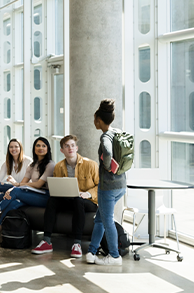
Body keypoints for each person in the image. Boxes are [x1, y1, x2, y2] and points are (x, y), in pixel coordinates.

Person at [0, 137, 55, 245]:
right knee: (12, 203)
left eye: (43, 146)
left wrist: (16, 186)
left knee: (16, 191)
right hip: (32, 194)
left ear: (48, 148)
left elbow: (38, 184)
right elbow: (23, 183)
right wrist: (13, 189)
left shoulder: (50, 164)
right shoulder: (32, 165)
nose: (40, 148)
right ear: (34, 148)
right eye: (38, 145)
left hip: (45, 197)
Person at [31, 135, 99, 258]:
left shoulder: (91, 165)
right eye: (67, 146)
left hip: (88, 201)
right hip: (69, 200)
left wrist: (87, 193)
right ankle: (46, 241)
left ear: (77, 148)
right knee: (52, 200)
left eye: (72, 145)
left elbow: (101, 187)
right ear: (62, 150)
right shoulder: (59, 167)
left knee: (78, 200)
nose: (70, 148)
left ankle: (77, 244)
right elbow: (58, 187)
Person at [87, 99, 127, 266]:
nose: (94, 122)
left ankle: (115, 256)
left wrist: (107, 166)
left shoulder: (105, 137)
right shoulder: (117, 132)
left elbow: (108, 153)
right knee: (100, 218)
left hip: (108, 187)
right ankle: (91, 252)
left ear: (98, 119)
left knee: (107, 220)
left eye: (94, 119)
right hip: (121, 185)